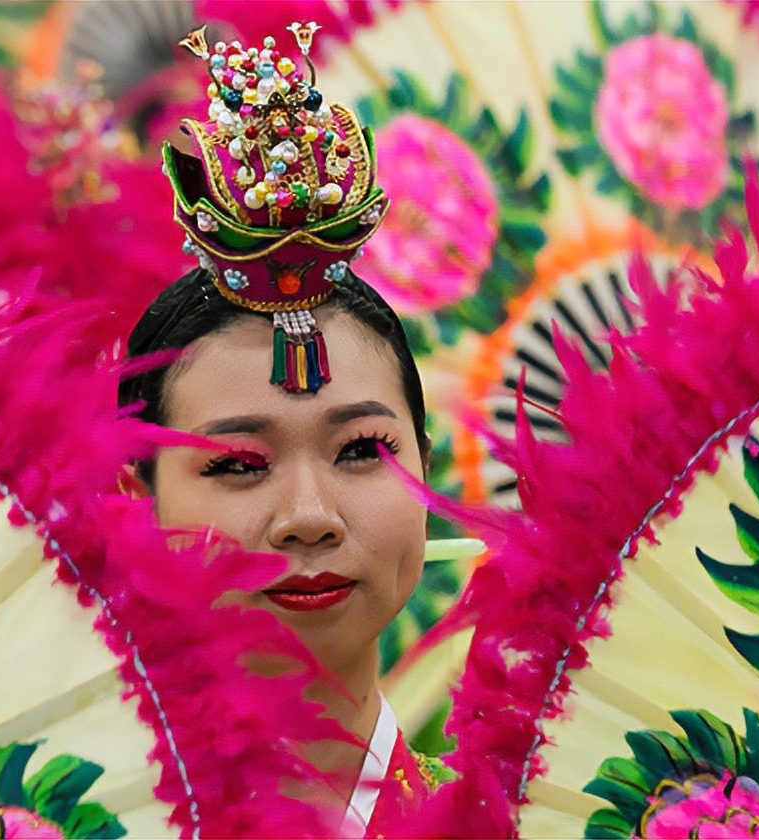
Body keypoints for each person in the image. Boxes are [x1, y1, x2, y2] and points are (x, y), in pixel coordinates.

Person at [116, 22, 445, 836]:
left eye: (362, 449)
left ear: (427, 470)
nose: (308, 514)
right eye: (237, 462)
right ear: (136, 500)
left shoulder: (537, 813)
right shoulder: (66, 815)